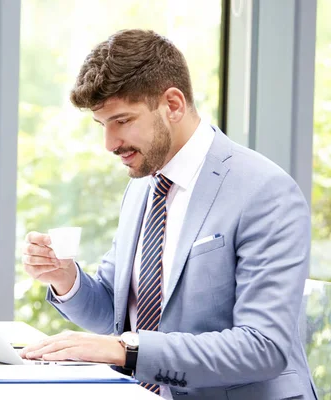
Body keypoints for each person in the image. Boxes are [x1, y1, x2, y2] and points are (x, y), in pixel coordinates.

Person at [20, 29, 318, 400]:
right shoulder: (144, 184)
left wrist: (127, 351)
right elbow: (114, 315)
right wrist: (66, 278)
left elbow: (262, 347)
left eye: (122, 121)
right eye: (102, 125)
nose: (109, 144)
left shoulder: (265, 191)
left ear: (173, 105)